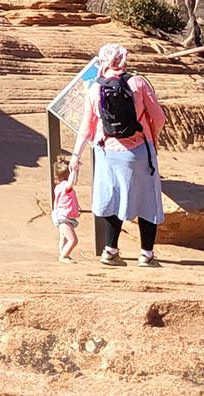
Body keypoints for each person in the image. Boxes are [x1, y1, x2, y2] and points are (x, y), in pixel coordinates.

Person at [64, 43, 167, 267]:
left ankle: (110, 251)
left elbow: (86, 127)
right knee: (147, 199)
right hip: (139, 152)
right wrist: (153, 137)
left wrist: (76, 155)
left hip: (106, 152)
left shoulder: (95, 89)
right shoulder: (138, 83)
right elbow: (159, 118)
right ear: (124, 60)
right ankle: (146, 255)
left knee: (112, 198)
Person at [52, 159, 81, 262]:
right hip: (65, 218)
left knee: (63, 238)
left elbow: (56, 201)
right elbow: (72, 182)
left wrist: (75, 171)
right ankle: (64, 256)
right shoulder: (66, 186)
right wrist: (74, 170)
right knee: (73, 240)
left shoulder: (59, 187)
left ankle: (63, 253)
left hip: (61, 215)